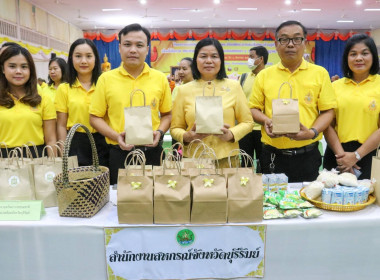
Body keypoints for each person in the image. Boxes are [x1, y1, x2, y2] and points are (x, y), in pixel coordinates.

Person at [249, 20, 337, 182]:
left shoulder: (319, 73)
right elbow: (253, 109)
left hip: (308, 155)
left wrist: (312, 132)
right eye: (284, 39)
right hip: (272, 155)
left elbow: (328, 111)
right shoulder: (264, 75)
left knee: (308, 202)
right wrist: (266, 121)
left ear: (304, 43)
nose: (290, 44)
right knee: (272, 203)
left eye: (297, 39)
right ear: (276, 44)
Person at [89, 23, 172, 185]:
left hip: (152, 152)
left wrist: (160, 133)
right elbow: (95, 117)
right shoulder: (106, 79)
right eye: (127, 45)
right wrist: (116, 137)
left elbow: (167, 114)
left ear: (147, 49)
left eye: (139, 45)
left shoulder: (159, 78)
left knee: (154, 199)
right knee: (122, 203)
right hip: (119, 153)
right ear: (119, 48)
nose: (133, 50)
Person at [170, 38, 254, 168]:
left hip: (227, 160)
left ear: (221, 60)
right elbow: (175, 128)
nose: (209, 61)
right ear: (196, 60)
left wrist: (231, 134)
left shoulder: (234, 86)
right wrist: (187, 136)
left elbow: (248, 122)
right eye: (203, 56)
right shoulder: (183, 90)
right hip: (193, 160)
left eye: (214, 56)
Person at [323, 34, 380, 179]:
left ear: (373, 56)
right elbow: (328, 124)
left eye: (365, 53)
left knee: (367, 200)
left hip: (367, 155)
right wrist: (342, 156)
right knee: (330, 199)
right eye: (353, 54)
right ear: (346, 58)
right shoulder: (335, 86)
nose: (359, 58)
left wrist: (356, 156)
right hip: (336, 154)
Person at [55, 38, 109, 167]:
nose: (83, 61)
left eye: (89, 56)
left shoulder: (106, 85)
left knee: (104, 184)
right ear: (71, 59)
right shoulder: (64, 88)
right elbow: (61, 125)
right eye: (78, 56)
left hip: (104, 141)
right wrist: (63, 154)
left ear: (95, 59)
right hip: (75, 143)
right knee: (78, 185)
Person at [0, 44, 56, 157]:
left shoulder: (43, 98)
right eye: (12, 66)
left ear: (30, 70)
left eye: (24, 67)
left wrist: (53, 168)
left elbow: (50, 140)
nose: (18, 71)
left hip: (38, 159)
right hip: (4, 161)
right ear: (3, 69)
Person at [238, 46, 268, 170]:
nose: (248, 59)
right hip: (245, 127)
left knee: (264, 162)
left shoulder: (269, 77)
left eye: (251, 57)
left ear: (260, 59)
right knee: (245, 162)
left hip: (263, 127)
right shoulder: (244, 77)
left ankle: (261, 188)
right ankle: (246, 188)